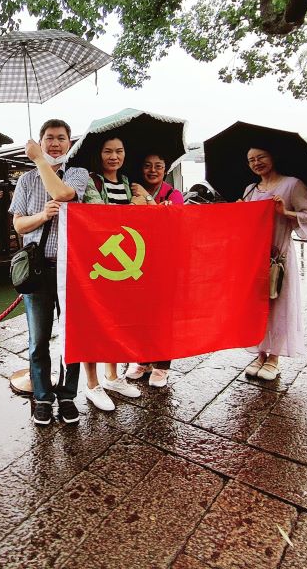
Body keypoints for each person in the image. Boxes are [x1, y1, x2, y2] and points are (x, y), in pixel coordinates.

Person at [8, 119, 90, 426]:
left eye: (61, 138)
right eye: (49, 138)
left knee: (73, 337)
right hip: (39, 268)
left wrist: (40, 161)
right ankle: (42, 396)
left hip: (72, 269)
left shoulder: (78, 174)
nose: (55, 143)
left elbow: (64, 194)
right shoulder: (26, 180)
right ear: (40, 141)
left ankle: (67, 395)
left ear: (70, 143)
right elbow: (19, 225)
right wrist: (42, 215)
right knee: (38, 339)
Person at [80, 136, 148, 412]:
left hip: (123, 265)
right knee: (92, 322)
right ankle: (92, 384)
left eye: (119, 151)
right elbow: (100, 215)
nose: (114, 156)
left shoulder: (128, 183)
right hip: (97, 262)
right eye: (108, 151)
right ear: (99, 154)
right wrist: (135, 207)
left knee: (116, 322)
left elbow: (143, 218)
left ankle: (112, 376)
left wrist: (144, 198)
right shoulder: (91, 181)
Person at [240, 147, 307, 380]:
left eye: (261, 157)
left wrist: (285, 212)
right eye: (251, 160)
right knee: (257, 306)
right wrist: (240, 211)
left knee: (280, 304)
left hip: (279, 254)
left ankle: (274, 358)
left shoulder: (292, 185)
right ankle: (260, 353)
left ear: (273, 157)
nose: (256, 163)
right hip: (255, 257)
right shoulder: (250, 189)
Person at [126, 152, 185, 387]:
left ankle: (162, 365)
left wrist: (149, 200)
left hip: (165, 261)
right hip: (138, 260)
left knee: (164, 314)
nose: (153, 170)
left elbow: (175, 223)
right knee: (140, 312)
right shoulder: (131, 190)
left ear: (165, 169)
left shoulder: (173, 195)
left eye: (158, 166)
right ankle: (142, 359)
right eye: (147, 166)